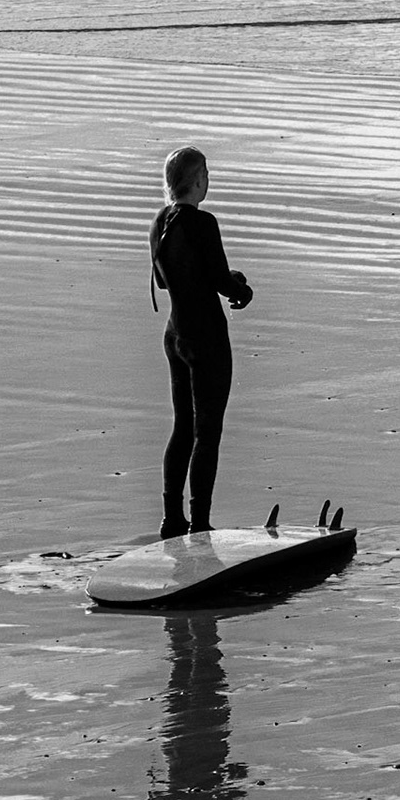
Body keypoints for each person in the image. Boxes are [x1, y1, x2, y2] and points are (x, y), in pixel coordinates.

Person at [150, 146, 254, 539]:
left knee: (182, 427)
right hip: (206, 337)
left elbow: (165, 279)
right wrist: (241, 287)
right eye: (207, 174)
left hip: (175, 335)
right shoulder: (203, 223)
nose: (208, 180)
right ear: (197, 181)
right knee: (207, 432)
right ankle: (201, 523)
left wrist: (223, 277)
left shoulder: (160, 221)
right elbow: (220, 283)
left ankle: (171, 519)